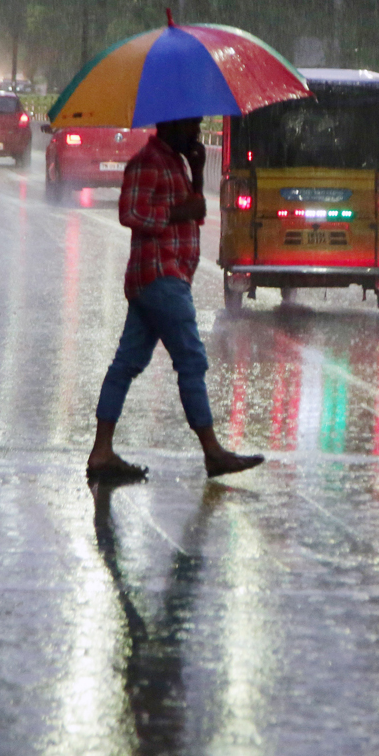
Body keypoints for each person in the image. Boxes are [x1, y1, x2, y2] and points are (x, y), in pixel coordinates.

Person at [86, 117, 264, 483]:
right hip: (160, 276)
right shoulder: (148, 162)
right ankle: (212, 451)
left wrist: (197, 173)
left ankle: (101, 451)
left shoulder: (176, 164)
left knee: (127, 363)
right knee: (192, 360)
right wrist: (175, 213)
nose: (197, 132)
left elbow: (192, 213)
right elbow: (130, 213)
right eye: (193, 126)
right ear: (172, 125)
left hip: (165, 276)